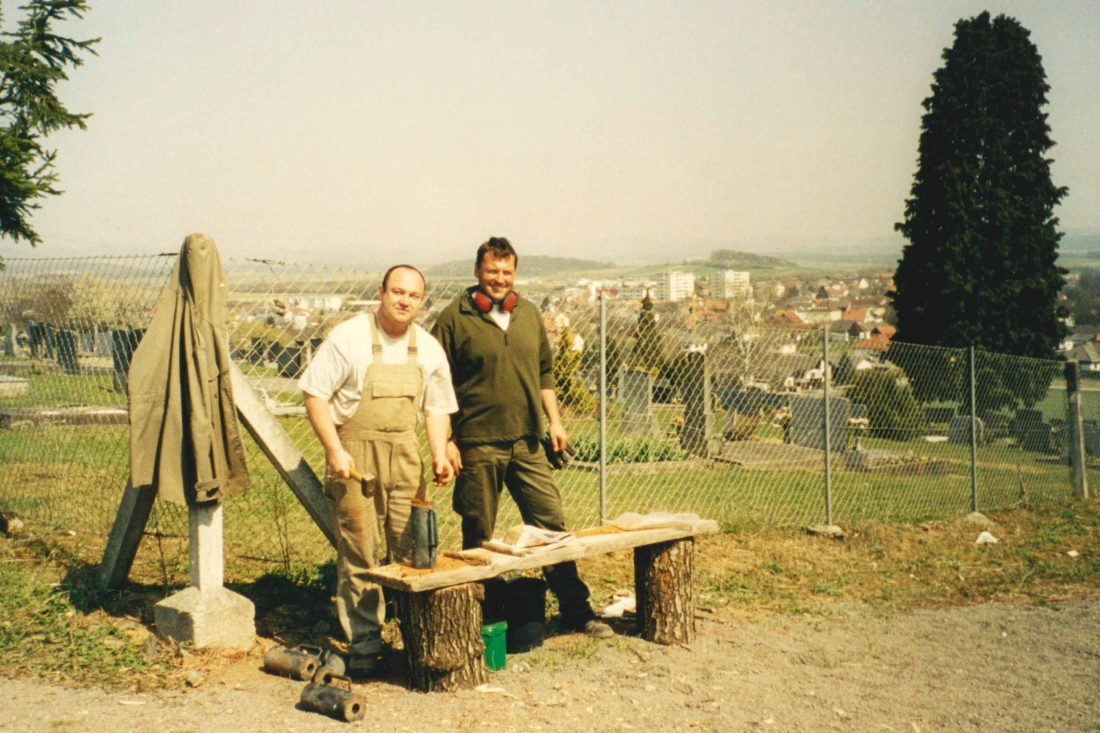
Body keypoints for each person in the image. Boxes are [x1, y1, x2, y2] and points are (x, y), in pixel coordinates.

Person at [432, 237, 613, 638]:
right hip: (478, 444)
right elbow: (437, 386)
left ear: (515, 274)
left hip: (528, 443)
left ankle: (575, 610)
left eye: (507, 272)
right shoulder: (453, 318)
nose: (499, 279)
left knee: (551, 527)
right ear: (477, 271)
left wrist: (556, 422)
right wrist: (446, 441)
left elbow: (545, 374)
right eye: (492, 271)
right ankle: (485, 617)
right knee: (480, 534)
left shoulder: (529, 314)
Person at [300, 264, 458, 677]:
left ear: (421, 302)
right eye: (397, 292)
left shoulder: (428, 347)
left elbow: (437, 406)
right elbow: (314, 394)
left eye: (413, 295)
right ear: (381, 292)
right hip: (354, 456)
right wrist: (333, 449)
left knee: (413, 551)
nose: (404, 301)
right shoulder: (348, 337)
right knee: (360, 552)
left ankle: (417, 642)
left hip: (406, 457)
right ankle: (365, 647)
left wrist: (439, 453)